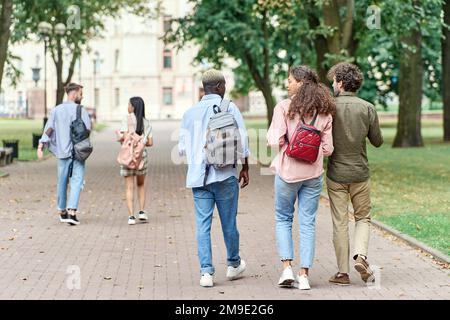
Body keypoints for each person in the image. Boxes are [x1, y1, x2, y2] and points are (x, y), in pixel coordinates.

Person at [178, 69, 250, 288]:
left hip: (199, 178)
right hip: (225, 174)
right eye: (224, 85)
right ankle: (233, 264)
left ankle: (206, 273)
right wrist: (245, 168)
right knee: (229, 223)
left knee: (202, 225)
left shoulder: (189, 113)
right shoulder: (230, 107)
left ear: (204, 88)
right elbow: (244, 143)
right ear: (219, 86)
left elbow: (181, 150)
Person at [267, 66, 335, 290]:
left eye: (290, 81)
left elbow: (274, 141)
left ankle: (287, 269)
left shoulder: (284, 108)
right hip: (313, 174)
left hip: (288, 173)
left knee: (283, 219)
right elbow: (328, 149)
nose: (287, 84)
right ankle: (304, 275)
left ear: (300, 83)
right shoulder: (324, 111)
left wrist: (289, 143)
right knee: (308, 223)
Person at [326, 62, 383, 286]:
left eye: (333, 81)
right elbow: (377, 141)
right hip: (360, 172)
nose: (332, 84)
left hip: (336, 174)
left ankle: (342, 273)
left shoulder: (328, 107)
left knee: (339, 222)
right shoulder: (367, 108)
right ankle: (360, 256)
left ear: (341, 82)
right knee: (362, 218)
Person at [37, 83, 91, 226]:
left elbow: (49, 129)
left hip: (62, 153)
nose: (82, 96)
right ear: (74, 94)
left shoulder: (56, 110)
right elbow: (88, 130)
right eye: (80, 93)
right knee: (77, 181)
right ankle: (72, 213)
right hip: (78, 152)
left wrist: (41, 144)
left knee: (62, 182)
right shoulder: (81, 110)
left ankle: (62, 211)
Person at [116, 97, 153, 225]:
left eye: (128, 104)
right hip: (141, 157)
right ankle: (142, 212)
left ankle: (131, 216)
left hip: (128, 157)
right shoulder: (146, 123)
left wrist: (121, 137)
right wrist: (141, 141)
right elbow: (150, 143)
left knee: (129, 187)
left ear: (132, 107)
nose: (127, 106)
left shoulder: (126, 120)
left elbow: (124, 138)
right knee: (141, 185)